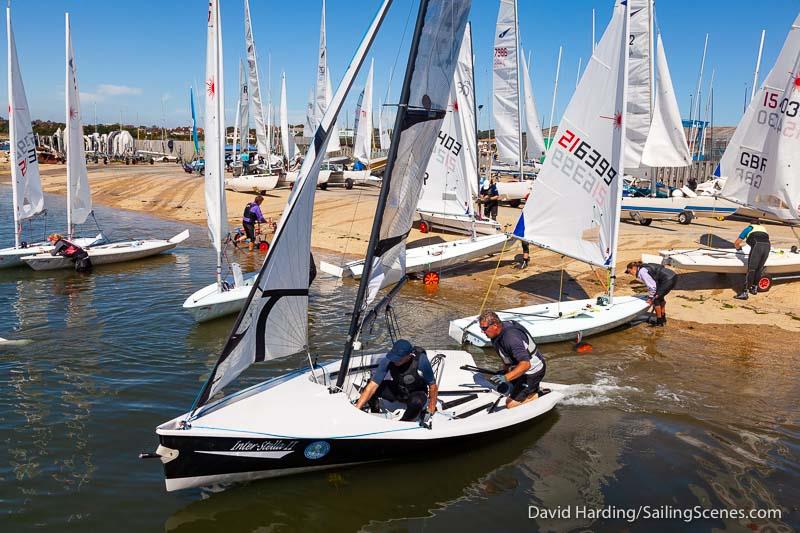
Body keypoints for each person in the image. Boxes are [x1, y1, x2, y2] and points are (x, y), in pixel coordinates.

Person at [354, 339, 439, 422]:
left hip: (416, 392)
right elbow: (372, 386)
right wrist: (356, 410)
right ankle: (375, 411)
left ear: (409, 355)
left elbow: (433, 386)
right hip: (399, 389)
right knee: (368, 387)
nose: (395, 361)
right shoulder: (389, 359)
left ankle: (403, 422)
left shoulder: (421, 360)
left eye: (399, 359)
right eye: (394, 357)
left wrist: (430, 409)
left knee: (417, 402)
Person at [477, 311, 546, 408]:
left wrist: (505, 378)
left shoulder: (511, 338)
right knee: (492, 380)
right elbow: (506, 356)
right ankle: (528, 387)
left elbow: (526, 365)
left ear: (495, 325)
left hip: (532, 371)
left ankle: (539, 393)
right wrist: (505, 372)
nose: (482, 331)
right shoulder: (497, 332)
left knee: (510, 404)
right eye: (481, 328)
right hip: (518, 366)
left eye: (484, 328)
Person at [625, 261, 678, 326]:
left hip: (667, 279)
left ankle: (659, 322)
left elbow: (652, 286)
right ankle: (663, 319)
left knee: (655, 300)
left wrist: (650, 298)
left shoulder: (642, 272)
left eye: (629, 271)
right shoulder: (642, 268)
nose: (630, 274)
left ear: (634, 268)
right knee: (660, 298)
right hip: (671, 276)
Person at [733, 220, 771, 300]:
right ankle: (754, 288)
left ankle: (744, 293)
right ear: (759, 224)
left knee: (751, 270)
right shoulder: (763, 228)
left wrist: (738, 249)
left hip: (757, 246)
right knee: (759, 269)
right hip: (767, 246)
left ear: (751, 224)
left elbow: (737, 243)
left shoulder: (749, 228)